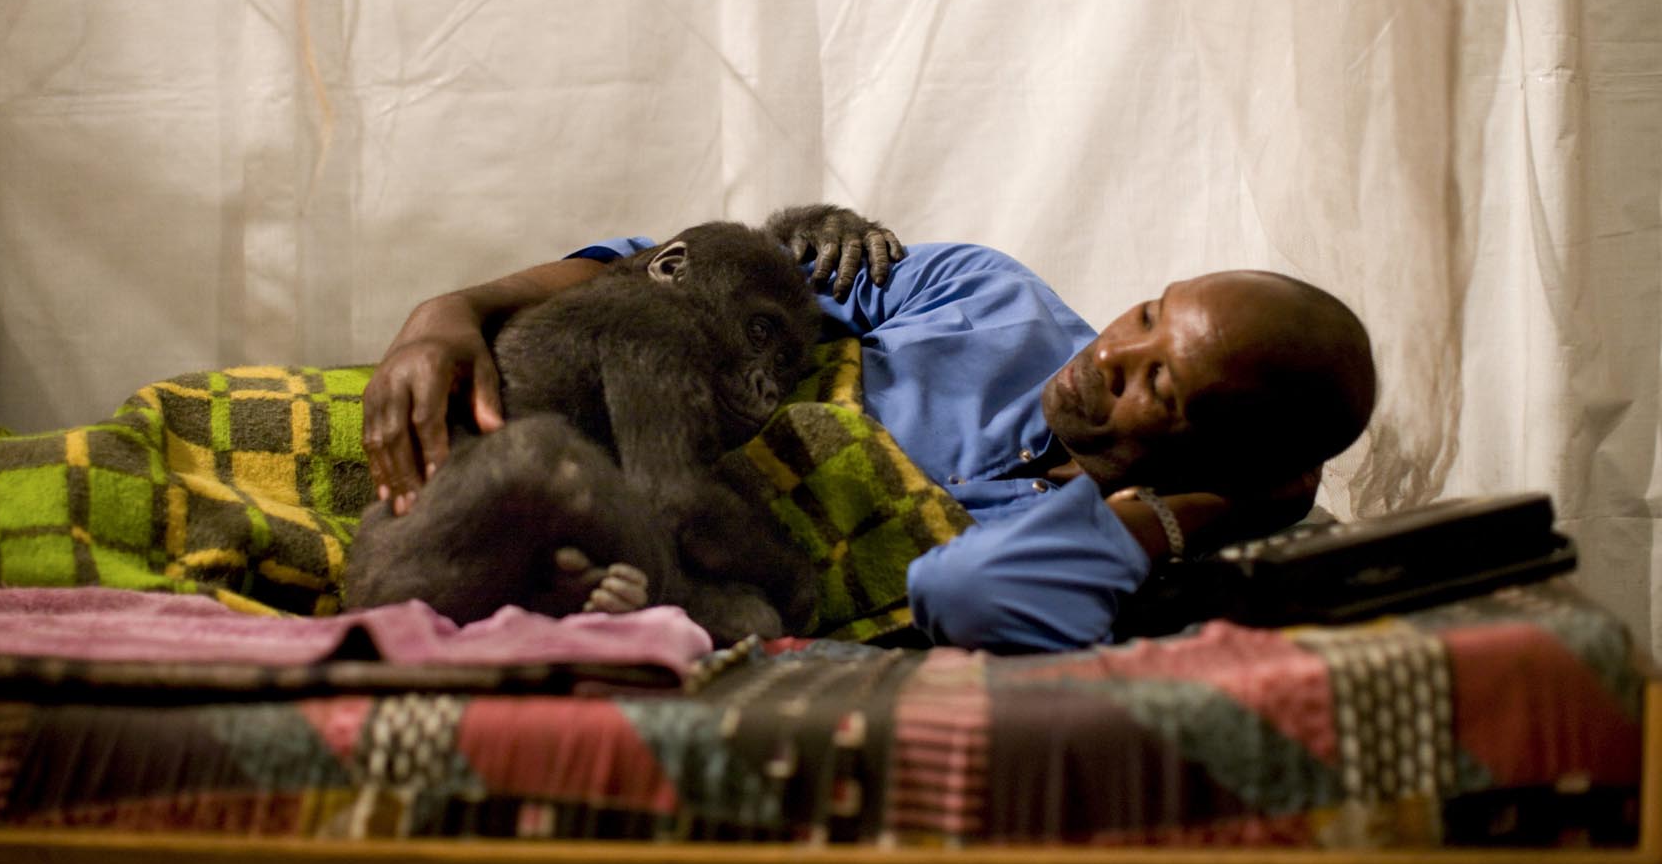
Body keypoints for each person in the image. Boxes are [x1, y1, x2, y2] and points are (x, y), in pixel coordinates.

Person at [361, 208, 1375, 653]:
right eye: (1148, 313)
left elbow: (962, 594)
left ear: (1223, 461)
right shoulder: (987, 294)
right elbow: (680, 268)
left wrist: (1188, 513)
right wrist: (447, 311)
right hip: (498, 400)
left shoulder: (1075, 544)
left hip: (556, 515)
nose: (1112, 355)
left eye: (1163, 386)